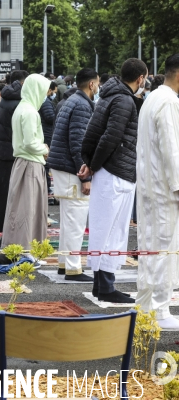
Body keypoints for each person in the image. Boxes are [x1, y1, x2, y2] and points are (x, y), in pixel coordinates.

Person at [80, 58, 148, 304]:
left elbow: (94, 132)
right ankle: (106, 286)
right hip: (116, 171)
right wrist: (94, 165)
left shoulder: (109, 95)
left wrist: (90, 162)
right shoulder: (123, 100)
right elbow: (111, 136)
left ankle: (102, 285)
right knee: (112, 230)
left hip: (109, 169)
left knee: (104, 229)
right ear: (140, 78)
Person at [136, 54, 179, 330]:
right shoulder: (170, 101)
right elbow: (171, 149)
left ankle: (146, 305)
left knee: (150, 248)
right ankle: (160, 309)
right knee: (163, 249)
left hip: (149, 185)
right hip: (163, 187)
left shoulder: (152, 97)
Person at [48, 68, 99, 282]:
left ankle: (64, 264)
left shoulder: (72, 101)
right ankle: (73, 268)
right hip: (71, 168)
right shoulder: (81, 105)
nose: (97, 87)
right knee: (75, 220)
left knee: (69, 220)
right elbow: (78, 143)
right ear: (91, 84)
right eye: (97, 83)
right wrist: (85, 176)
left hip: (63, 166)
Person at [1, 74, 51, 249]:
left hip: (23, 163)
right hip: (31, 164)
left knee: (20, 209)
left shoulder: (22, 108)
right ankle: (27, 248)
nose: (45, 95)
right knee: (28, 211)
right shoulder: (30, 112)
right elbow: (30, 143)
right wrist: (45, 149)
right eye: (43, 91)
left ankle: (18, 246)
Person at [0, 70, 29, 235]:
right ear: (23, 83)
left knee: (3, 189)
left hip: (3, 148)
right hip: (14, 150)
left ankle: (2, 225)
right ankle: (11, 227)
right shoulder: (20, 102)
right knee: (15, 191)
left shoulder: (6, 97)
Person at [39, 81, 57, 196]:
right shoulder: (45, 102)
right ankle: (45, 187)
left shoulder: (44, 101)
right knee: (45, 164)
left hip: (45, 134)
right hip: (47, 135)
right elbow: (50, 117)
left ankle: (46, 187)